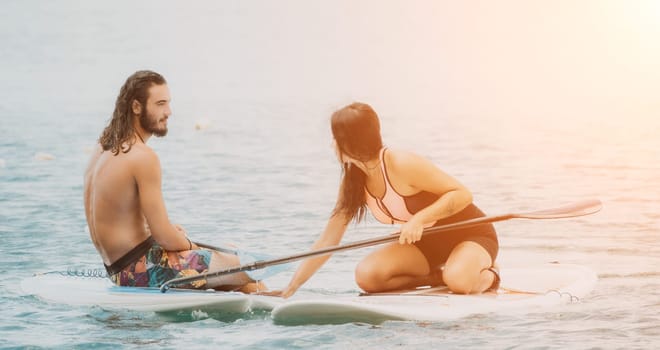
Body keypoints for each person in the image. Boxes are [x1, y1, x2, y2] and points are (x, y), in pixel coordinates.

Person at [275, 102, 499, 298]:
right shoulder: (353, 182)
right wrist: (291, 288)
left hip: (470, 233)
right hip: (426, 243)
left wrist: (420, 219)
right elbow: (328, 240)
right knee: (368, 276)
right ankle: (438, 276)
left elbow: (462, 194)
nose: (332, 144)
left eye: (335, 138)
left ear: (347, 142)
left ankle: (490, 276)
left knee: (459, 281)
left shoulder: (401, 163)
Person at [84, 70, 263, 292]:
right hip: (142, 269)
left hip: (118, 269)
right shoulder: (143, 156)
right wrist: (188, 245)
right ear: (136, 107)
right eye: (160, 104)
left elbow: (116, 215)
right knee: (248, 266)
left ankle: (259, 303)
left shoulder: (103, 147)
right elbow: (165, 237)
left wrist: (158, 234)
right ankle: (276, 306)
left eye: (168, 103)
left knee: (228, 264)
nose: (168, 112)